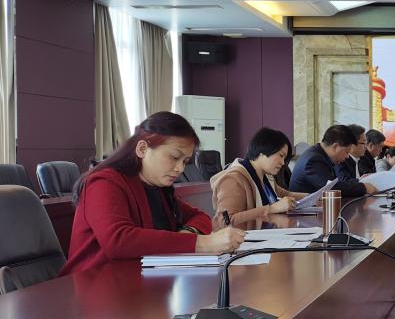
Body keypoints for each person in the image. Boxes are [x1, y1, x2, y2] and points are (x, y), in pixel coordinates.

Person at [60, 112, 245, 275]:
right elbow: (118, 240)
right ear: (142, 149)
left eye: (185, 161)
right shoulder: (104, 182)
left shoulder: (158, 188)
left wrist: (187, 233)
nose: (180, 168)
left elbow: (200, 217)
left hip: (139, 286)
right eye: (174, 157)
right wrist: (202, 243)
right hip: (93, 287)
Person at [211, 128, 307, 225]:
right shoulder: (234, 179)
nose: (283, 163)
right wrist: (271, 209)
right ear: (263, 152)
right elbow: (226, 222)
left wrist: (311, 197)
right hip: (244, 235)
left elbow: (285, 194)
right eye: (281, 156)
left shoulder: (265, 177)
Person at [289, 125, 378, 197]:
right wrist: (363, 187)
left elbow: (338, 182)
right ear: (335, 147)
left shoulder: (321, 155)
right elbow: (331, 188)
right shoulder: (314, 160)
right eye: (347, 152)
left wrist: (358, 181)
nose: (347, 156)